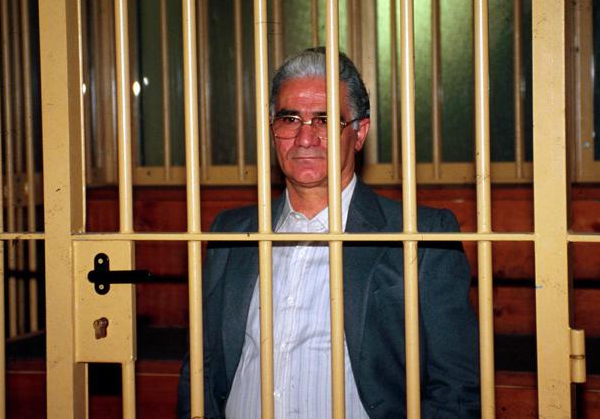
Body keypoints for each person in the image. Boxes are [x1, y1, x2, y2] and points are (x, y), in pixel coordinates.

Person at [177, 48, 479, 418]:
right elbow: (202, 369)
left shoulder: (421, 235)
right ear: (272, 130)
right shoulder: (231, 232)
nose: (305, 138)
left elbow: (456, 388)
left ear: (359, 133)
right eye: (290, 119)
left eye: (324, 120)